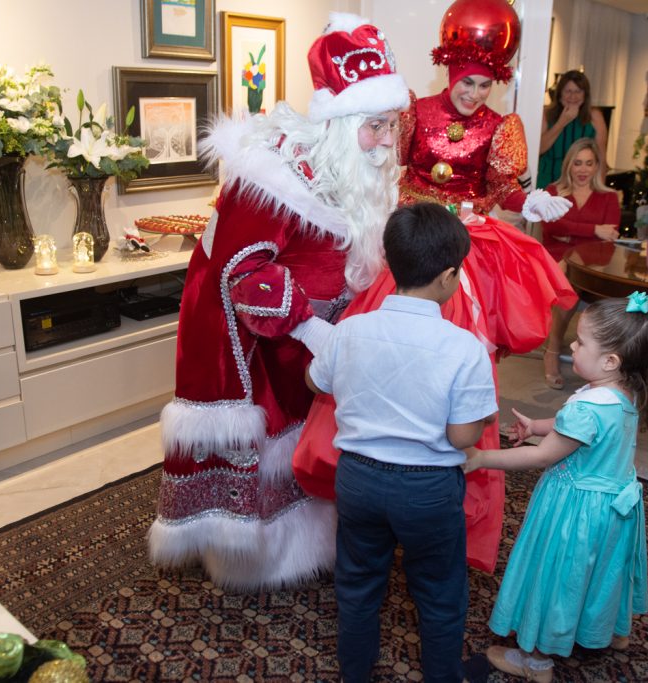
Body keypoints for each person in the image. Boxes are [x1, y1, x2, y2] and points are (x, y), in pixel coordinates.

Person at [292, 0, 577, 575]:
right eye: (469, 82)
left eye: (486, 84)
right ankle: (376, 459)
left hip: (463, 251)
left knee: (462, 361)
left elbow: (505, 190)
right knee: (381, 344)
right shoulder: (414, 112)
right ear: (450, 71)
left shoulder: (503, 128)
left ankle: (453, 477)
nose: (476, 93)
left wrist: (532, 199)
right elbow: (379, 162)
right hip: (412, 241)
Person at [147, 13, 411, 590]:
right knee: (263, 437)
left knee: (309, 432)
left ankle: (309, 539)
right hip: (245, 341)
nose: (387, 141)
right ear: (340, 124)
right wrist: (315, 332)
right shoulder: (271, 178)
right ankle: (250, 556)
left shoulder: (353, 171)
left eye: (393, 124)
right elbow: (245, 274)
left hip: (304, 335)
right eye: (375, 127)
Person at [307, 203, 498, 683]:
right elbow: (461, 437)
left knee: (357, 583)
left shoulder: (349, 331)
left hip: (358, 480)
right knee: (438, 590)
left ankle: (355, 675)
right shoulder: (465, 349)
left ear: (391, 264)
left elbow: (316, 383)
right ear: (449, 276)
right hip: (428, 489)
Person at [465, 293, 648, 682]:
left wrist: (481, 458)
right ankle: (609, 631)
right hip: (614, 510)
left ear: (611, 360)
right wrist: (537, 425)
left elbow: (542, 457)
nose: (571, 346)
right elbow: (572, 425)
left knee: (560, 578)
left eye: (580, 342)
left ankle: (536, 662)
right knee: (602, 572)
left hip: (576, 512)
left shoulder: (587, 407)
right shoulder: (626, 391)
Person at [540, 138, 621, 389]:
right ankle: (552, 351)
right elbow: (551, 226)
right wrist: (594, 229)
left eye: (589, 163)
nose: (583, 170)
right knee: (568, 285)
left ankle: (598, 362)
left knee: (605, 292)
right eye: (577, 163)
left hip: (593, 263)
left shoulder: (608, 198)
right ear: (569, 165)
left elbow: (610, 238)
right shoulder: (553, 192)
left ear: (597, 166)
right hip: (557, 260)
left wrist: (571, 234)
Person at [537, 70, 609, 188]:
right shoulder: (546, 114)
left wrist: (600, 189)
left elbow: (601, 157)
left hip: (582, 184)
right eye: (568, 91)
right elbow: (539, 149)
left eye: (578, 91)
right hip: (549, 181)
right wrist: (562, 122)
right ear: (560, 94)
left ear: (585, 95)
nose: (573, 96)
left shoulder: (594, 116)